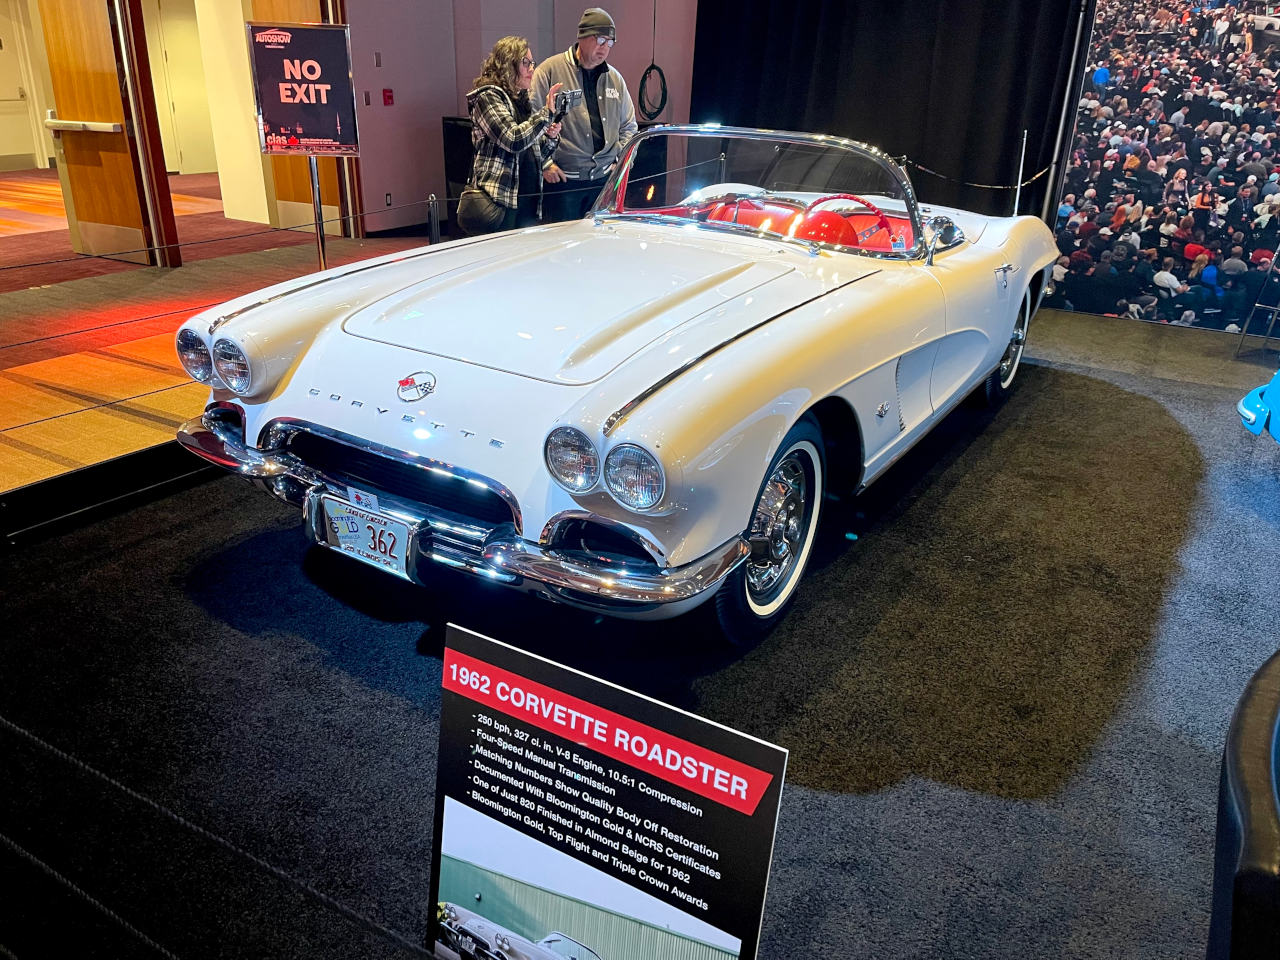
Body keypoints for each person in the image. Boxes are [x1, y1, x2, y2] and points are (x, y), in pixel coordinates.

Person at [531, 8, 637, 223]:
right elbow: (531, 121)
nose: (604, 48)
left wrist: (622, 162)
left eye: (610, 42)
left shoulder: (615, 78)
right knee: (562, 249)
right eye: (600, 40)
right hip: (564, 182)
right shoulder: (549, 71)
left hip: (604, 181)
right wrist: (544, 163)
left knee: (602, 247)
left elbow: (629, 126)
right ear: (582, 37)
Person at [458, 37, 563, 235]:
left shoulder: (522, 100)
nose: (532, 68)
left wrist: (550, 137)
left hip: (527, 197)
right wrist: (546, 115)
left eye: (532, 63)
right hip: (499, 200)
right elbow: (513, 140)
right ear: (508, 63)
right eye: (526, 63)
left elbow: (538, 153)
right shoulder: (487, 96)